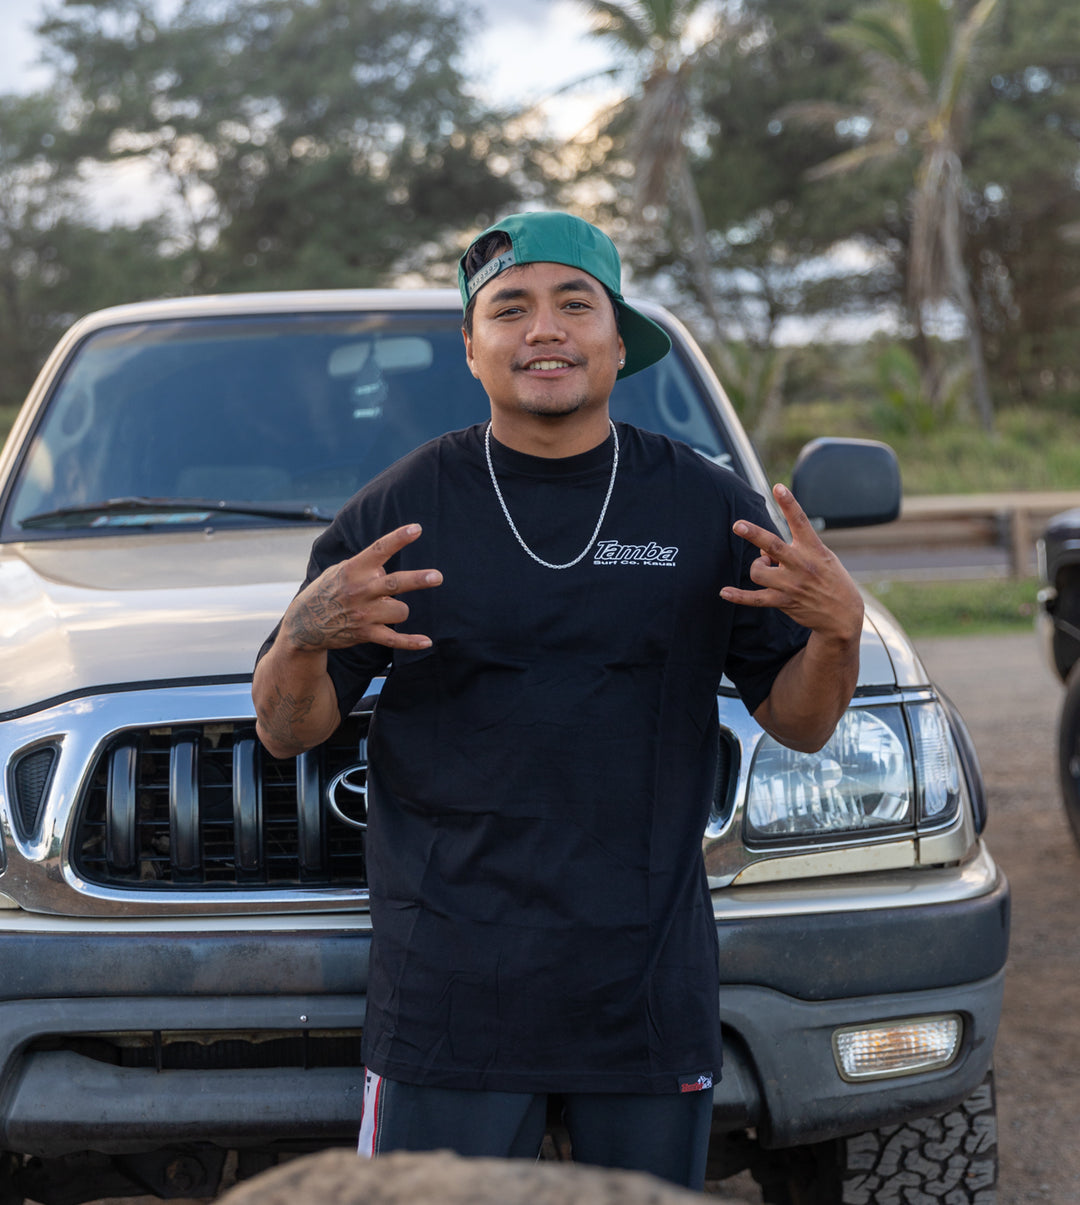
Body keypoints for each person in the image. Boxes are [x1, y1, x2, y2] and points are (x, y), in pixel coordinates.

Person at [252, 211, 864, 1190]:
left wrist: (839, 632)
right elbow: (289, 730)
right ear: (471, 346)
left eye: (575, 303)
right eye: (511, 308)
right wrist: (300, 635)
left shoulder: (706, 505)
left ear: (619, 342)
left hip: (645, 977)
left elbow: (801, 718)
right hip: (451, 984)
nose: (544, 329)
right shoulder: (400, 511)